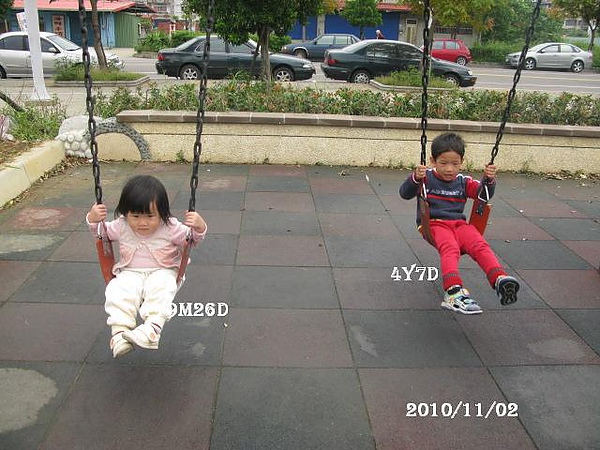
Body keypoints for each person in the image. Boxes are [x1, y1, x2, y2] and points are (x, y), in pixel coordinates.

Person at [86, 175, 207, 358]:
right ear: (125, 213)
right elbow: (101, 234)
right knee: (117, 290)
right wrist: (93, 219)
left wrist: (199, 226)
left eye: (150, 216)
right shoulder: (121, 225)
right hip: (130, 272)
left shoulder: (170, 227)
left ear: (162, 213)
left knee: (161, 290)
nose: (142, 222)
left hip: (163, 271)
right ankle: (119, 333)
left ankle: (151, 330)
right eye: (135, 216)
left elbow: (192, 240)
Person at [399, 132, 519, 315]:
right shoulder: (426, 178)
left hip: (459, 224)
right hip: (434, 224)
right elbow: (404, 193)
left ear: (462, 162)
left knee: (479, 243)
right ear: (432, 161)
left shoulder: (463, 181)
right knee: (450, 247)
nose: (449, 169)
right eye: (443, 163)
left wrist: (489, 180)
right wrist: (415, 177)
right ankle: (453, 292)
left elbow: (482, 195)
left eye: (455, 164)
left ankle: (499, 279)